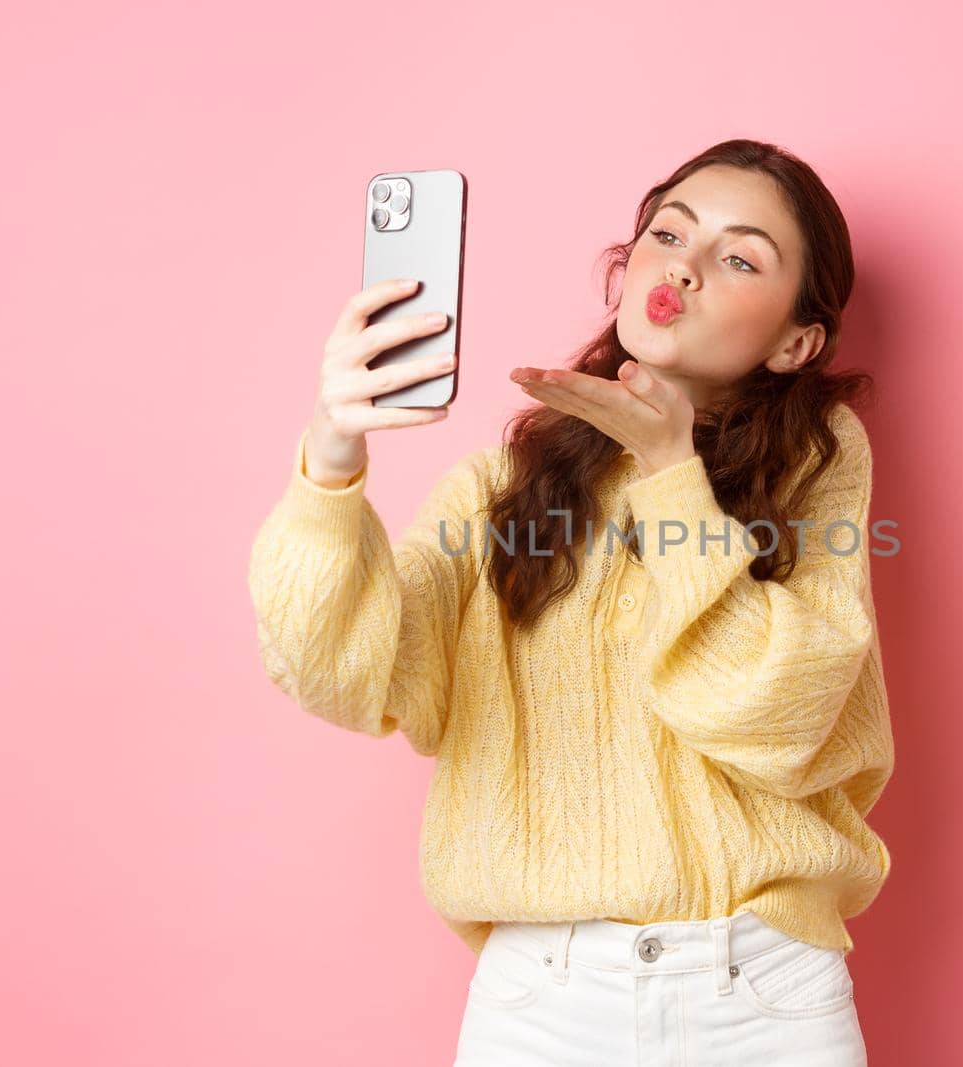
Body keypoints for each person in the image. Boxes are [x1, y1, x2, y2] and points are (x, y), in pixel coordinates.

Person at [247, 138, 894, 1066]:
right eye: (668, 233)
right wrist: (334, 452)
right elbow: (345, 671)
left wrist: (672, 473)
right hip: (542, 1005)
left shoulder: (819, 464)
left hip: (762, 992)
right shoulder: (498, 490)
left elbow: (779, 712)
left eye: (740, 256)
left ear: (797, 341)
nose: (685, 265)